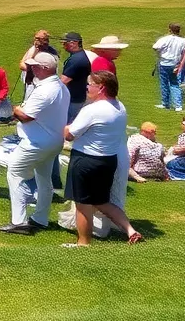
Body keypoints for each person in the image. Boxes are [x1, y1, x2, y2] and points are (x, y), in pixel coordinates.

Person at [62, 71, 142, 247]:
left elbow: (69, 135)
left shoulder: (92, 110)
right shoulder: (119, 107)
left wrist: (64, 126)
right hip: (107, 160)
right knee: (102, 201)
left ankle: (83, 242)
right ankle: (130, 230)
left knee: (83, 204)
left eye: (90, 84)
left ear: (101, 88)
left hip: (85, 161)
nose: (87, 87)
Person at [0, 52, 70, 235]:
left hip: (36, 142)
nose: (31, 68)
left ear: (44, 68)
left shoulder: (45, 90)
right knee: (44, 179)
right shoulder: (60, 86)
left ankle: (19, 221)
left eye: (34, 66)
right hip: (53, 140)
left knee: (15, 172)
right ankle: (40, 218)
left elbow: (26, 116)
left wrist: (12, 109)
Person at [153, 22, 185, 112]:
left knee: (164, 84)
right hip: (175, 64)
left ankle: (165, 103)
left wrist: (162, 52)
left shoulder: (165, 39)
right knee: (175, 84)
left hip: (164, 63)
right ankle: (178, 105)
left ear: (169, 29)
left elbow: (155, 47)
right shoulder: (183, 41)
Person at [60, 32, 92, 123]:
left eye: (65, 43)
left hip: (73, 100)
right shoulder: (80, 56)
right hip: (78, 97)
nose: (63, 46)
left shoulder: (76, 60)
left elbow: (63, 81)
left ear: (74, 43)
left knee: (68, 124)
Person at [19, 29, 57, 95]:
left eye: (38, 39)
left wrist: (30, 65)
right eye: (36, 38)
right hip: (32, 82)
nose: (36, 41)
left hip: (41, 83)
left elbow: (23, 66)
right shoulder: (33, 49)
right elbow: (22, 65)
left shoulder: (51, 53)